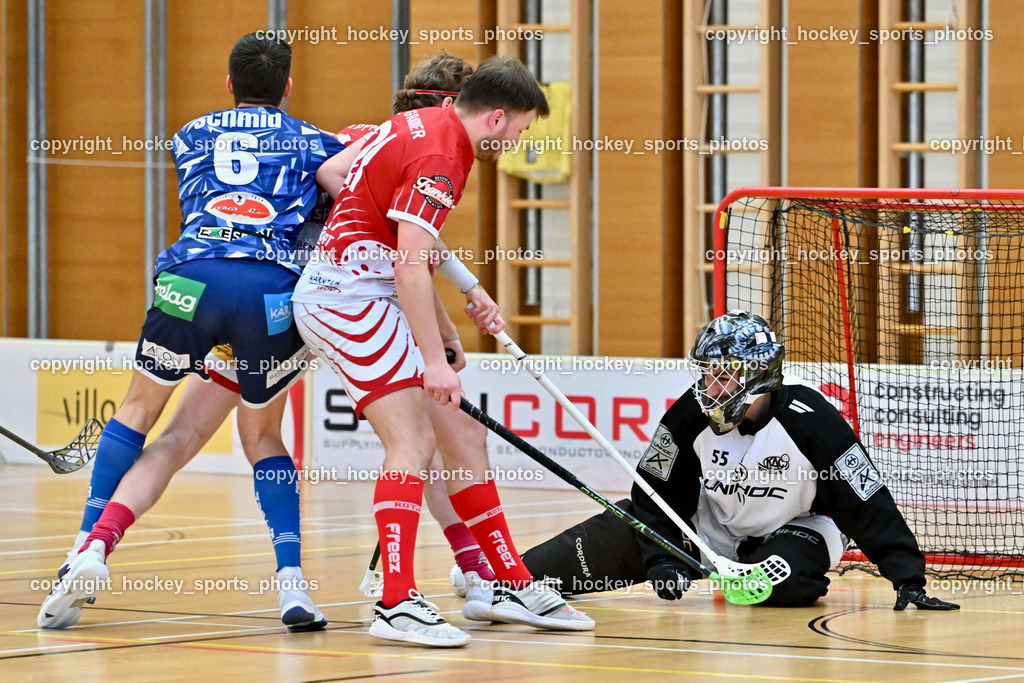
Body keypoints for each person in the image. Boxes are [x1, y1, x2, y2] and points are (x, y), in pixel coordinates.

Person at [37, 32, 347, 631]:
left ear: (229, 85)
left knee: (137, 413)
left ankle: (87, 547)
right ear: (288, 87)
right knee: (262, 438)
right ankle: (293, 587)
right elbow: (343, 203)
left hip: (189, 280)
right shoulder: (317, 143)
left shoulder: (188, 134)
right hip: (266, 292)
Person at [293, 55, 594, 647]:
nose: (517, 143)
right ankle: (396, 602)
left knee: (461, 438)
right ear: (499, 117)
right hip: (347, 299)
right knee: (414, 441)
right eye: (522, 132)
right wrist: (434, 360)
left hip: (370, 290)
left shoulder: (429, 126)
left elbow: (402, 236)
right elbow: (408, 264)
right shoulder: (443, 154)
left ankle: (507, 580)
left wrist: (465, 300)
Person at [519, 310, 960, 612]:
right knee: (530, 575)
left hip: (798, 529)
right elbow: (654, 498)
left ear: (760, 374)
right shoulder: (688, 414)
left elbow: (864, 498)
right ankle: (494, 576)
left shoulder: (810, 419)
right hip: (705, 528)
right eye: (708, 373)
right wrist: (663, 560)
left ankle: (757, 565)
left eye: (725, 373)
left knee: (777, 586)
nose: (712, 385)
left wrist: (907, 578)